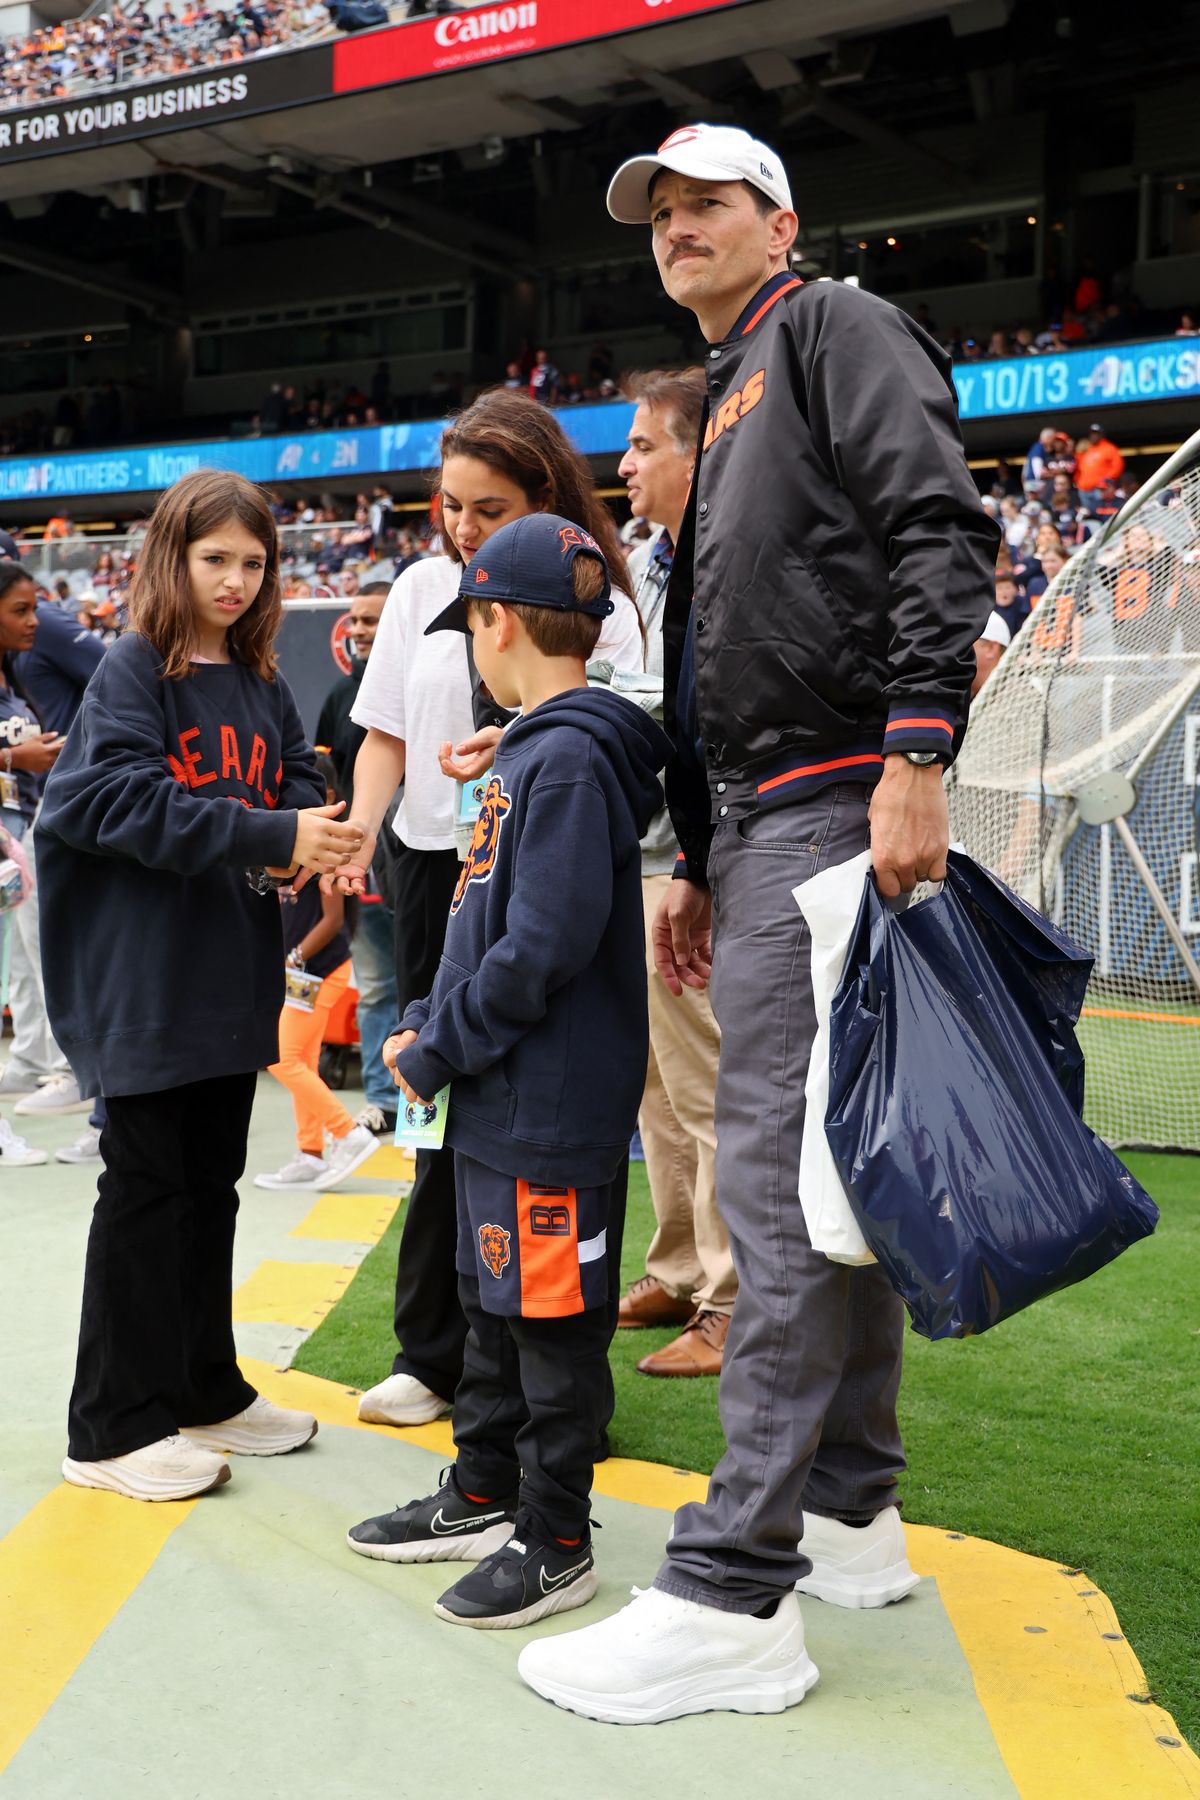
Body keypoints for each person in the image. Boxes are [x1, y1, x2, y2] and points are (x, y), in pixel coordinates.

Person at [517, 121, 996, 1722]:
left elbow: (942, 527)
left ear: (778, 216)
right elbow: (729, 657)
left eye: (705, 203)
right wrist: (707, 854)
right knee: (828, 1168)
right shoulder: (730, 387)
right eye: (657, 215)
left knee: (772, 1182)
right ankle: (854, 1505)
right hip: (781, 811)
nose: (675, 230)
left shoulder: (830, 326)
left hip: (847, 783)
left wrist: (922, 749)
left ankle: (734, 1591)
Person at [346, 513, 671, 1629]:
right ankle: (484, 1488)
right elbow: (486, 923)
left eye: (470, 625)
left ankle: (556, 1535)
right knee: (491, 1309)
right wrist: (429, 1017)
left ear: (495, 622)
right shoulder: (537, 746)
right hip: (497, 1095)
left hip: (548, 1102)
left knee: (549, 1322)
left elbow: (543, 947)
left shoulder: (569, 757)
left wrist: (435, 1043)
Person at [36, 469, 364, 1504]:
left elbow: (294, 783)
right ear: (170, 560)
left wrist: (313, 834)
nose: (234, 579)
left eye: (253, 562)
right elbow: (109, 798)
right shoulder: (136, 667)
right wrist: (273, 832)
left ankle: (200, 1387)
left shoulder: (263, 680)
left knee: (209, 1187)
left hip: (226, 974)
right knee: (144, 1191)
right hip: (143, 978)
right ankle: (109, 1425)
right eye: (214, 558)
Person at [327, 390, 644, 1432]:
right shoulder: (420, 581)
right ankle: (439, 1354)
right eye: (450, 504)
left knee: (528, 1121)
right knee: (441, 1121)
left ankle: (540, 1402)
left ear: (546, 499)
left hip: (537, 878)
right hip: (435, 874)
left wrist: (509, 752)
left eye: (489, 506)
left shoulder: (599, 605)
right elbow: (381, 733)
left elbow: (590, 732)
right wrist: (360, 834)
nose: (463, 528)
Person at [614, 367, 735, 1376]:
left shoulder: (734, 548)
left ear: (699, 452)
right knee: (656, 1086)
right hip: (648, 851)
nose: (625, 464)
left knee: (707, 1084)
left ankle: (733, 1300)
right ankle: (682, 1264)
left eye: (645, 445)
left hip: (703, 855)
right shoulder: (646, 564)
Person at [255, 755, 377, 1190]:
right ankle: (310, 1154)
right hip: (303, 974)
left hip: (319, 973)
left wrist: (293, 957)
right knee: (301, 1061)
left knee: (281, 1060)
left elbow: (332, 921)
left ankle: (348, 1133)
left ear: (327, 797)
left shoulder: (327, 846)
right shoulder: (288, 840)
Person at [314, 581, 400, 1134]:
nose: (362, 630)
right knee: (375, 988)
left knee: (431, 982)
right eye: (357, 621)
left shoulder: (422, 680)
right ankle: (383, 1101)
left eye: (373, 620)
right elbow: (324, 788)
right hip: (362, 866)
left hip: (426, 860)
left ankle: (425, 1102)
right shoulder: (338, 698)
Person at [0, 562, 66, 1168]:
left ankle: (36, 1059)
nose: (33, 621)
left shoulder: (14, 675)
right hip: (10, 841)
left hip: (15, 842)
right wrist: (11, 755)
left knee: (26, 960)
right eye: (20, 610)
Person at [1075, 422, 1125, 512]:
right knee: (1087, 514)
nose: (1094, 436)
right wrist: (1078, 482)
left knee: (1099, 513)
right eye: (1092, 434)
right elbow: (1078, 467)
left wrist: (1105, 481)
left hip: (1099, 489)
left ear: (1101, 435)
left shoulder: (1109, 448)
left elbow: (1118, 466)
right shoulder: (1086, 449)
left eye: (1096, 434)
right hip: (1083, 489)